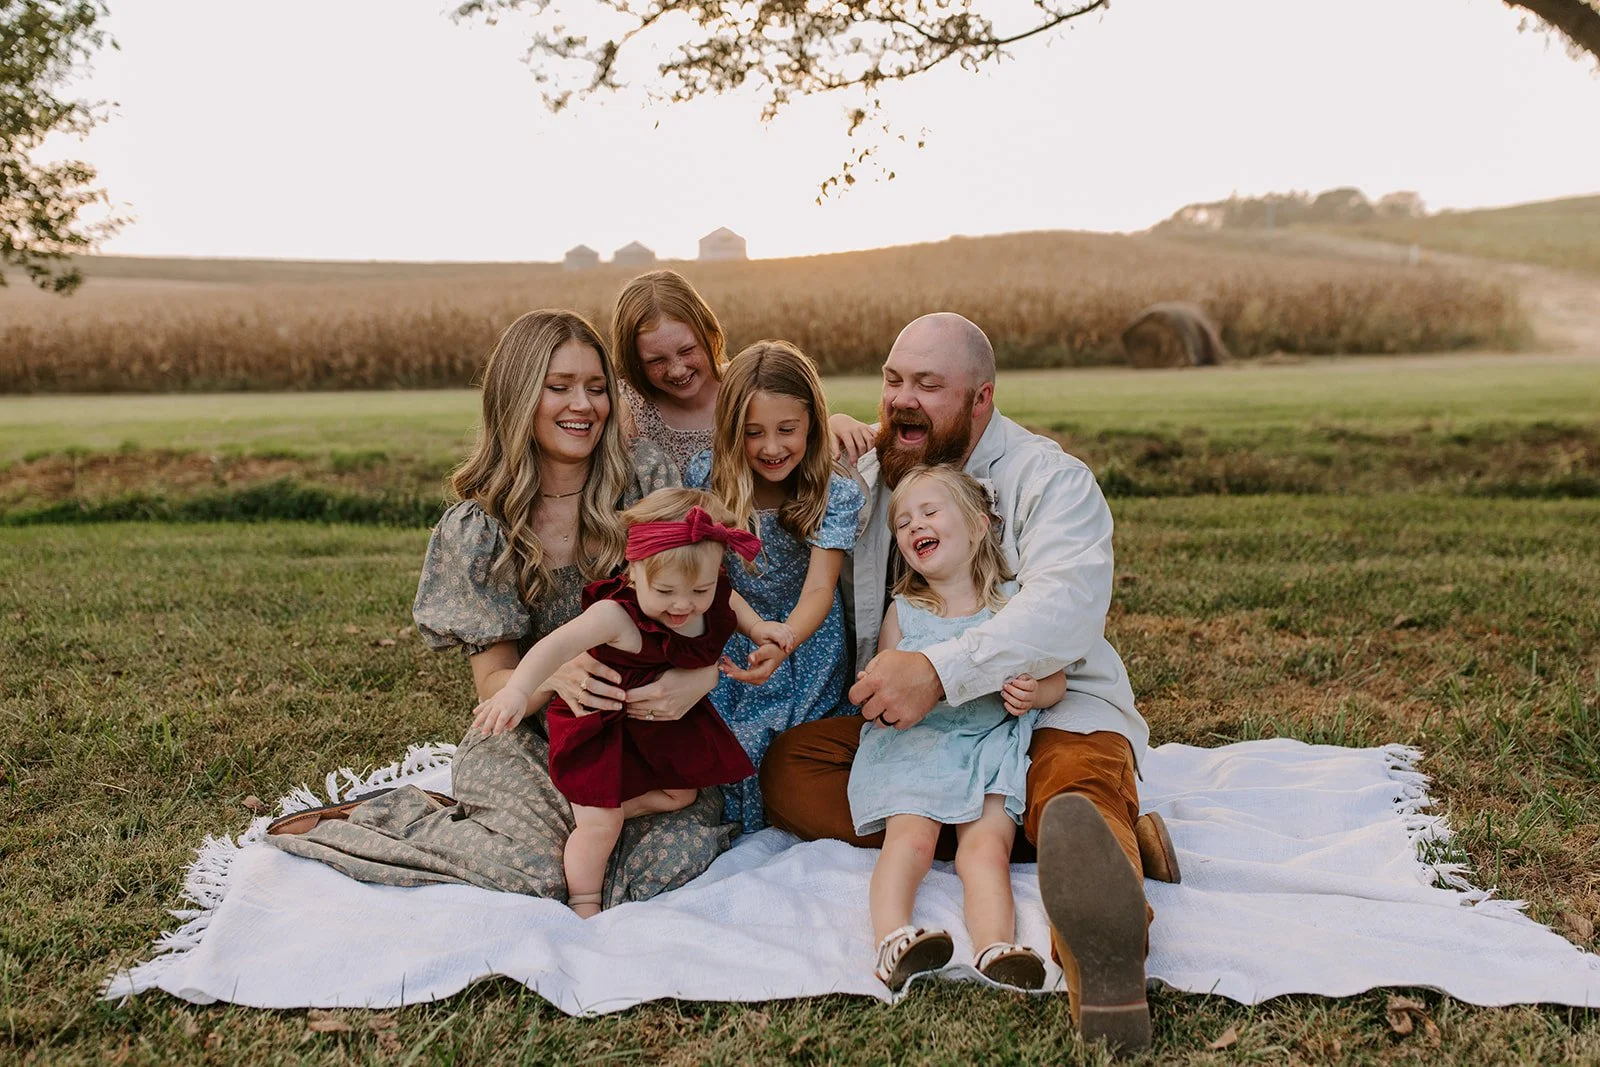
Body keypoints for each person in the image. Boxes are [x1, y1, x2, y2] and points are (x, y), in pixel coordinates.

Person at [761, 312, 1168, 1053]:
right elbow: (759, 482)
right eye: (891, 380)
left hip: (1048, 709)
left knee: (1073, 786)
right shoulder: (867, 473)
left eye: (928, 385)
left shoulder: (1052, 480)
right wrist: (819, 438)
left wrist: (939, 671)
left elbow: (1066, 610)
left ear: (982, 398)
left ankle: (1103, 942)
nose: (901, 399)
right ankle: (1082, 837)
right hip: (926, 736)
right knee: (791, 768)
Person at [269, 309, 738, 906]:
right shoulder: (481, 526)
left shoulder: (643, 483)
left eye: (596, 388)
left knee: (658, 868)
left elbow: (701, 600)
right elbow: (494, 682)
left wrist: (698, 675)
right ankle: (392, 818)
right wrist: (553, 674)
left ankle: (517, 822)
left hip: (637, 731)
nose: (584, 405)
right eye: (559, 386)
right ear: (518, 394)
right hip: (530, 727)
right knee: (537, 872)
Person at [469, 489, 786, 916]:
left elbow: (730, 601)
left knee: (682, 794)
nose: (683, 605)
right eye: (667, 590)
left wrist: (759, 627)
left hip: (656, 725)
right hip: (599, 724)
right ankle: (584, 897)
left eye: (700, 589)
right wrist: (517, 690)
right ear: (634, 572)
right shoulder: (614, 615)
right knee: (602, 828)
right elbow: (553, 647)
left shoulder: (708, 591)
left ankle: (603, 802)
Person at [853, 465, 1059, 992]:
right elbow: (887, 680)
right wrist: (872, 688)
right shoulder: (905, 612)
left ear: (978, 525)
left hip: (989, 746)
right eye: (902, 521)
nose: (912, 524)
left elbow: (1053, 676)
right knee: (912, 843)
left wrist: (1035, 693)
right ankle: (893, 938)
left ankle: (994, 947)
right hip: (920, 745)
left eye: (928, 511)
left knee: (987, 849)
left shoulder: (1011, 607)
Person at [685, 340, 864, 832]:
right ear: (730, 431)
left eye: (787, 430)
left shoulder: (833, 491)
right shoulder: (707, 479)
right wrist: (756, 628)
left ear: (812, 423)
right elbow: (713, 581)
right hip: (735, 626)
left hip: (805, 640)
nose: (771, 447)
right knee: (729, 739)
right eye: (753, 433)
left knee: (797, 743)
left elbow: (819, 591)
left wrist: (783, 639)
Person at [611, 269, 874, 477]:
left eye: (687, 350)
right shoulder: (631, 410)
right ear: (634, 360)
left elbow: (793, 427)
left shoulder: (746, 382)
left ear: (709, 335)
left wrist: (833, 425)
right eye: (656, 360)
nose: (677, 369)